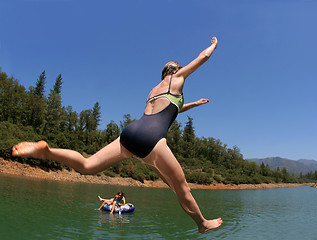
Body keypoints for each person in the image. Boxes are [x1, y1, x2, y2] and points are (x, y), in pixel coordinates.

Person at [12, 36, 222, 233]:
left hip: (132, 132)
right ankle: (202, 224)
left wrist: (193, 103)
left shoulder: (154, 90)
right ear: (175, 70)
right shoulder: (178, 77)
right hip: (153, 138)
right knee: (182, 189)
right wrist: (213, 44)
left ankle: (47, 152)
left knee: (87, 165)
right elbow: (203, 57)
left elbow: (172, 107)